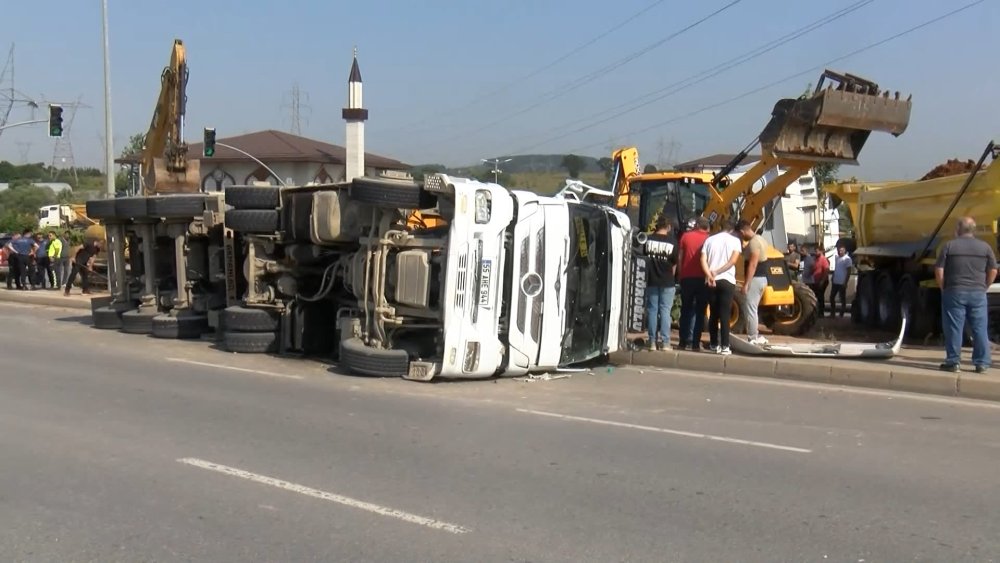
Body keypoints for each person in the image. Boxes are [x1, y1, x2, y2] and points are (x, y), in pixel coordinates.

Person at [934, 217, 997, 373]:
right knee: (979, 328)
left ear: (958, 229)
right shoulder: (985, 247)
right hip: (978, 293)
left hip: (954, 292)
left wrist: (943, 287)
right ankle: (981, 363)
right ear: (973, 230)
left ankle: (953, 362)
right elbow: (993, 270)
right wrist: (985, 286)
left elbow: (939, 270)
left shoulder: (949, 246)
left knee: (954, 327)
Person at [700, 220, 742, 355]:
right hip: (727, 280)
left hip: (711, 280)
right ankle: (725, 346)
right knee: (725, 314)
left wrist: (710, 274)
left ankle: (713, 344)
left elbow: (702, 259)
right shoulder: (735, 241)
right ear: (731, 230)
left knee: (713, 313)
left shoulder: (709, 240)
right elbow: (733, 261)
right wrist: (718, 272)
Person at [643, 216, 679, 350]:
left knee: (652, 310)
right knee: (665, 311)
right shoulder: (672, 242)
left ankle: (652, 342)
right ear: (668, 227)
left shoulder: (648, 240)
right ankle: (665, 342)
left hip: (651, 279)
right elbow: (675, 263)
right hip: (667, 280)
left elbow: (644, 258)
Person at [676, 216, 711, 351]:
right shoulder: (709, 239)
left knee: (686, 309)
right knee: (700, 311)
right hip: (703, 278)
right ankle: (695, 343)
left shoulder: (686, 236)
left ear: (696, 225)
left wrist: (680, 275)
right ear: (707, 227)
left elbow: (680, 258)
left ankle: (683, 342)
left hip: (687, 277)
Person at [736, 220, 770, 345]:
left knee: (750, 308)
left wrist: (746, 284)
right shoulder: (760, 239)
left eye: (740, 234)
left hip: (755, 278)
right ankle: (754, 334)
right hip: (762, 278)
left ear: (742, 231)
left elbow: (753, 264)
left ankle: (752, 337)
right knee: (753, 308)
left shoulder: (754, 243)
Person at [829, 245, 853, 317]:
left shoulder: (847, 259)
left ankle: (841, 313)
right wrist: (833, 276)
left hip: (842, 282)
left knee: (842, 298)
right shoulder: (837, 258)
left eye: (842, 250)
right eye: (839, 250)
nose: (840, 252)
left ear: (844, 251)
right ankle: (833, 313)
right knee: (831, 297)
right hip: (835, 282)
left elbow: (849, 271)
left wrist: (845, 282)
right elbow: (836, 268)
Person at [807, 245, 830, 317]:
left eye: (817, 251)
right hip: (815, 281)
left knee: (820, 297)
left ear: (821, 251)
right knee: (815, 296)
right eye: (815, 251)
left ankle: (821, 312)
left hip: (821, 281)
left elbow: (826, 271)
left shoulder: (823, 259)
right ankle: (816, 312)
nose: (815, 252)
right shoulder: (816, 259)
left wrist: (822, 281)